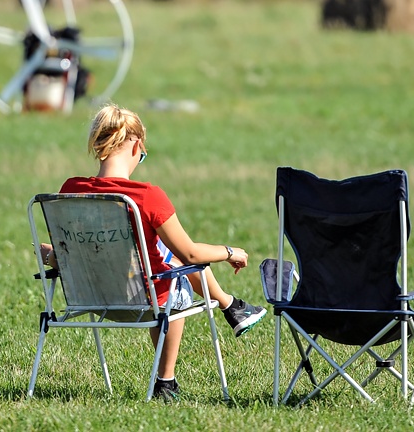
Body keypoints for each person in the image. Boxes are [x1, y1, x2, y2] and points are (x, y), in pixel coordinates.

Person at [40, 104, 267, 400]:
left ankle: (233, 307)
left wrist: (48, 254)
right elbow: (192, 255)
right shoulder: (147, 196)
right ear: (136, 145)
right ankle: (166, 382)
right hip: (143, 302)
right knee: (178, 272)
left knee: (162, 253)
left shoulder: (70, 190)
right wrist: (229, 251)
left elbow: (67, 255)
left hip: (91, 298)